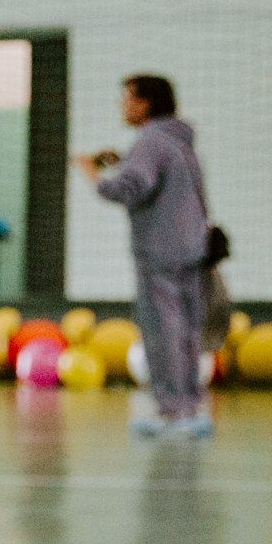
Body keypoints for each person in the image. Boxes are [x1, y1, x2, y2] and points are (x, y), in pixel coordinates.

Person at [78, 74, 214, 439]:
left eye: (127, 98)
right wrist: (126, 160)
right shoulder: (177, 140)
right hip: (189, 248)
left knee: (162, 329)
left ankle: (174, 412)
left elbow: (130, 188)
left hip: (161, 251)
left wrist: (94, 175)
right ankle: (191, 407)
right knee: (185, 328)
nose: (123, 106)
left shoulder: (151, 141)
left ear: (145, 103)